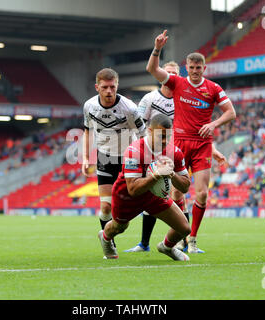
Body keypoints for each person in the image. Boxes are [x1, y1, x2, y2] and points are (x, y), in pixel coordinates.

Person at [146, 30, 236, 253]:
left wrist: (214, 125)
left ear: (204, 68)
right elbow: (152, 69)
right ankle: (176, 237)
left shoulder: (213, 88)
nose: (195, 71)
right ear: (187, 67)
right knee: (177, 193)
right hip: (179, 143)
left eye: (199, 68)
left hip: (202, 144)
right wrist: (157, 48)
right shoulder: (177, 82)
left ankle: (192, 238)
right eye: (192, 67)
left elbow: (231, 112)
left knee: (203, 194)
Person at [125, 61, 228, 253]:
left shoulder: (183, 96)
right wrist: (141, 149)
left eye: (173, 73)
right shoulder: (150, 98)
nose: (170, 76)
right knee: (155, 192)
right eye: (167, 72)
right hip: (153, 150)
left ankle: (184, 241)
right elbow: (139, 126)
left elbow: (194, 129)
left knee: (179, 193)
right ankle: (145, 242)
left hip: (178, 149)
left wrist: (211, 149)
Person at [98, 114, 191, 261]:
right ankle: (105, 237)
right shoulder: (134, 151)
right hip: (126, 196)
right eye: (161, 136)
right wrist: (157, 175)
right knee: (119, 227)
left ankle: (166, 247)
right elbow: (133, 190)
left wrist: (172, 174)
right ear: (149, 131)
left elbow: (185, 186)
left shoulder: (175, 152)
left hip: (153, 196)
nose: (165, 141)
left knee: (184, 229)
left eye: (168, 136)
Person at [82, 68, 146, 234]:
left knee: (131, 210)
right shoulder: (89, 106)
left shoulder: (130, 109)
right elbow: (88, 131)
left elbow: (143, 134)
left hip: (127, 160)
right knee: (105, 207)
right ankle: (108, 241)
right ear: (97, 87)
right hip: (104, 158)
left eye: (112, 87)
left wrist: (143, 159)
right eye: (104, 87)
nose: (109, 91)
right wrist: (85, 157)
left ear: (117, 85)